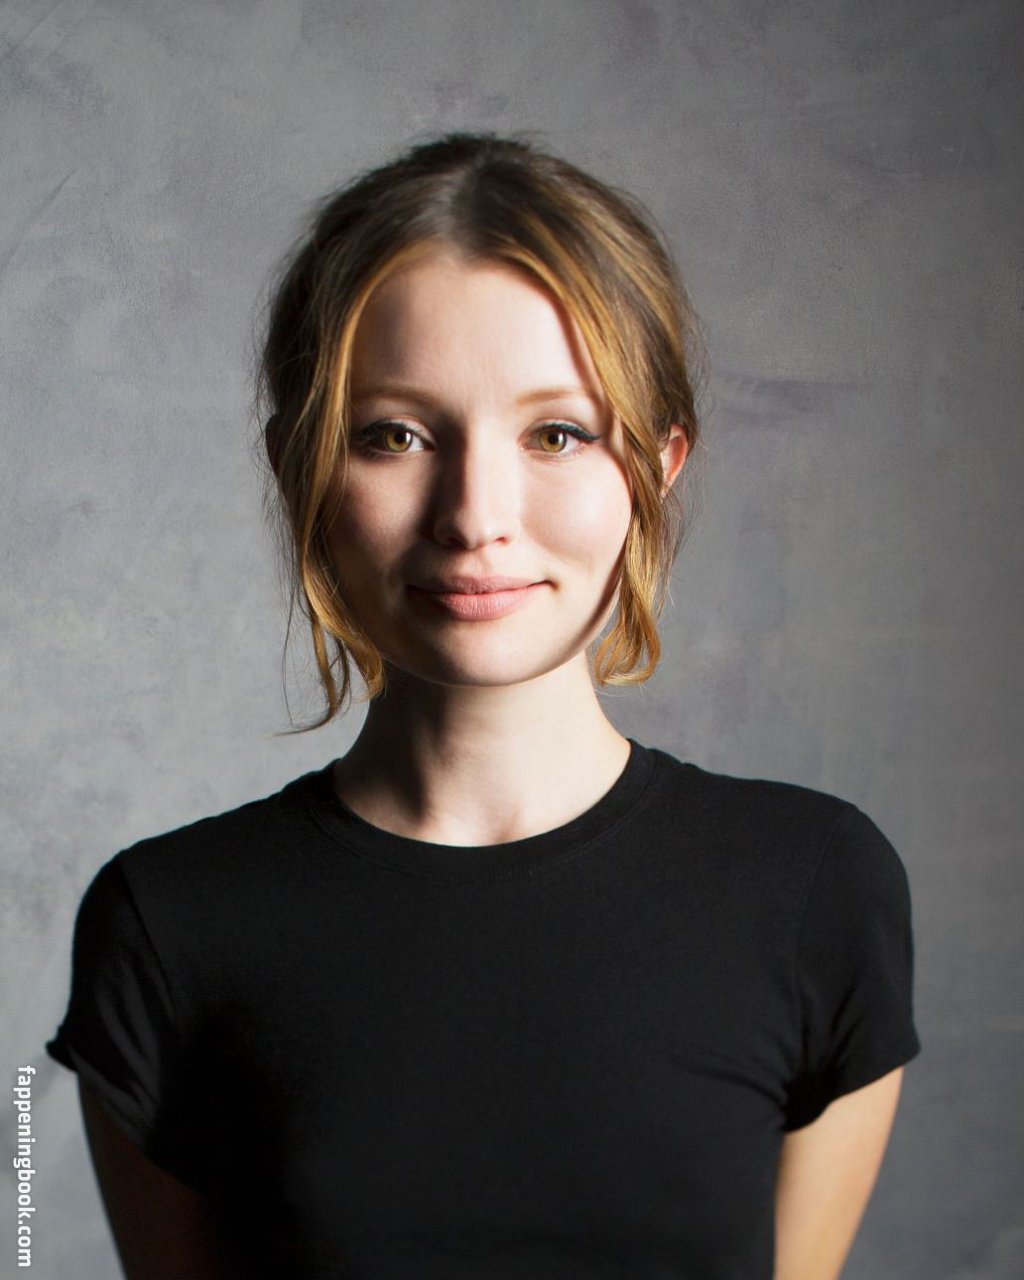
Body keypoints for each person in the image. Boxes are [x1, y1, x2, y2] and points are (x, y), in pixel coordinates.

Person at [46, 132, 920, 1280]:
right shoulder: (167, 923)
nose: (474, 515)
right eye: (394, 435)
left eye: (557, 432)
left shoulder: (812, 887)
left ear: (658, 467)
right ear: (300, 468)